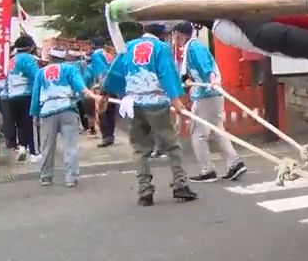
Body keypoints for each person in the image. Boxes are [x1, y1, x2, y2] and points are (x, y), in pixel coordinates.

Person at [102, 23, 197, 206]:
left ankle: (144, 190)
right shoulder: (161, 48)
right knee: (171, 145)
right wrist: (175, 98)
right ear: (161, 35)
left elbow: (116, 71)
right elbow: (167, 73)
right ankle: (180, 184)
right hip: (156, 102)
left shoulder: (128, 46)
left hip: (134, 103)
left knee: (140, 148)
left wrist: (106, 93)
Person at [172, 22, 247, 183]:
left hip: (206, 95)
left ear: (180, 34)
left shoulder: (194, 48)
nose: (174, 39)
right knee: (217, 129)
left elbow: (206, 67)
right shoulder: (192, 47)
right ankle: (235, 163)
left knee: (198, 133)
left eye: (175, 34)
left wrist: (212, 79)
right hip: (211, 94)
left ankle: (207, 170)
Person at [31, 49, 101, 187]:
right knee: (71, 146)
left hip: (47, 111)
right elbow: (81, 88)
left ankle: (46, 176)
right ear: (64, 58)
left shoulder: (41, 72)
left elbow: (35, 95)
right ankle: (71, 178)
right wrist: (90, 96)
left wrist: (35, 113)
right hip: (67, 109)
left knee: (47, 146)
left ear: (50, 58)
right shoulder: (69, 69)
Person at [7, 35, 42, 162]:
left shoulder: (11, 60)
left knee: (21, 124)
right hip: (27, 95)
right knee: (32, 124)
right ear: (31, 46)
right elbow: (37, 76)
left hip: (12, 96)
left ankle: (22, 147)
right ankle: (34, 153)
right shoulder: (28, 58)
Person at [90, 37, 118, 148]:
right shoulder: (110, 52)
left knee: (102, 111)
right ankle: (111, 135)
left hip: (105, 85)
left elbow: (100, 71)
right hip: (114, 84)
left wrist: (100, 87)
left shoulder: (96, 54)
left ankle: (106, 137)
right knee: (111, 111)